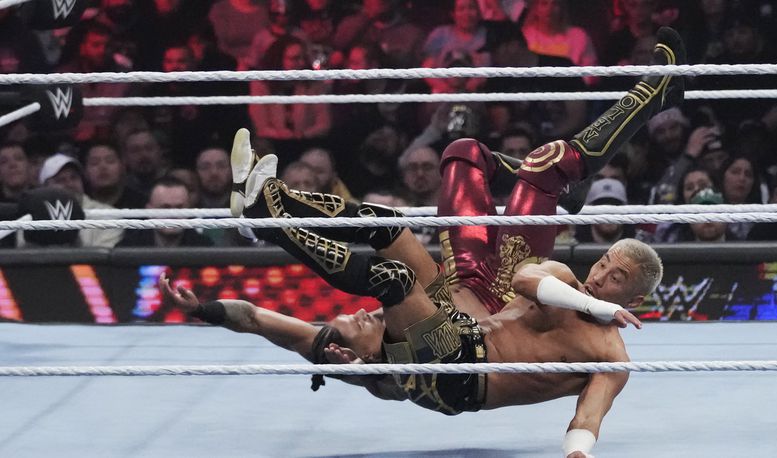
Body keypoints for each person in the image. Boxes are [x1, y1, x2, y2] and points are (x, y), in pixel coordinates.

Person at [192, 27, 684, 456]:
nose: (599, 275)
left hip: (464, 334)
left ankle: (652, 95)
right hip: (472, 296)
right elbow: (531, 280)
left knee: (405, 252)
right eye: (606, 265)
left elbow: (271, 323)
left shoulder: (605, 354)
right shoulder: (570, 287)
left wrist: (210, 310)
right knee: (462, 152)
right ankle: (266, 206)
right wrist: (594, 303)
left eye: (615, 278)